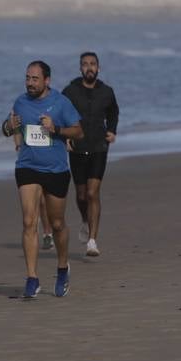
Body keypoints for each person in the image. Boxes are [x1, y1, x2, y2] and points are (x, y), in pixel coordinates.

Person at [2, 61, 83, 299]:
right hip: (27, 167)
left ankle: (62, 269)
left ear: (46, 80)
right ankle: (32, 277)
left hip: (56, 169)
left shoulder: (61, 103)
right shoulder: (20, 102)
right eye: (27, 78)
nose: (29, 83)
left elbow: (78, 131)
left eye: (34, 79)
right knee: (29, 221)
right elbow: (8, 129)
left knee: (57, 224)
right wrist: (9, 126)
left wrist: (56, 128)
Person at [62, 51, 120, 258]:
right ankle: (86, 220)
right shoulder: (70, 91)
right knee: (80, 195)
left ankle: (92, 241)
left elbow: (113, 111)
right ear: (80, 68)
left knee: (93, 193)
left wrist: (112, 130)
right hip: (77, 147)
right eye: (85, 64)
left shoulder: (107, 91)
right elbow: (60, 113)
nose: (89, 67)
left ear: (98, 68)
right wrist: (64, 137)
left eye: (92, 64)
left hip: (98, 146)